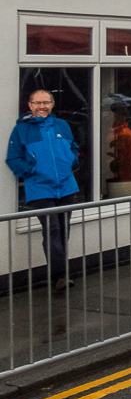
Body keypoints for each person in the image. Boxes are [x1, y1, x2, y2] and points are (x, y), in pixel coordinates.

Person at [6, 90, 80, 291]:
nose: (42, 106)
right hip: (40, 189)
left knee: (63, 229)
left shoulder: (62, 125)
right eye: (37, 103)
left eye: (46, 102)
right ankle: (59, 276)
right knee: (53, 228)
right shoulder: (21, 130)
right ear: (29, 105)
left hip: (66, 186)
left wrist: (71, 160)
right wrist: (31, 170)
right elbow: (13, 159)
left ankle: (61, 273)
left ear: (53, 104)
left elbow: (74, 149)